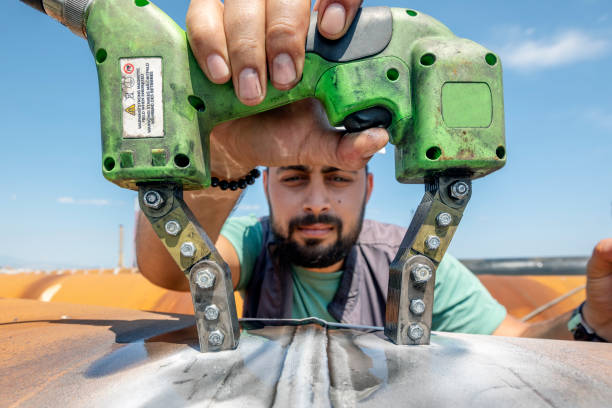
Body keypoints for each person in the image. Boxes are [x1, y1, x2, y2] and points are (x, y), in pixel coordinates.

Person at [136, 0, 611, 341]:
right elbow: (170, 273)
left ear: (368, 185)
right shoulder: (256, 245)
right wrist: (227, 152)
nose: (317, 201)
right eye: (294, 176)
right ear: (267, 183)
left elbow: (521, 344)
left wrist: (592, 321)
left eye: (338, 178)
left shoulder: (415, 264)